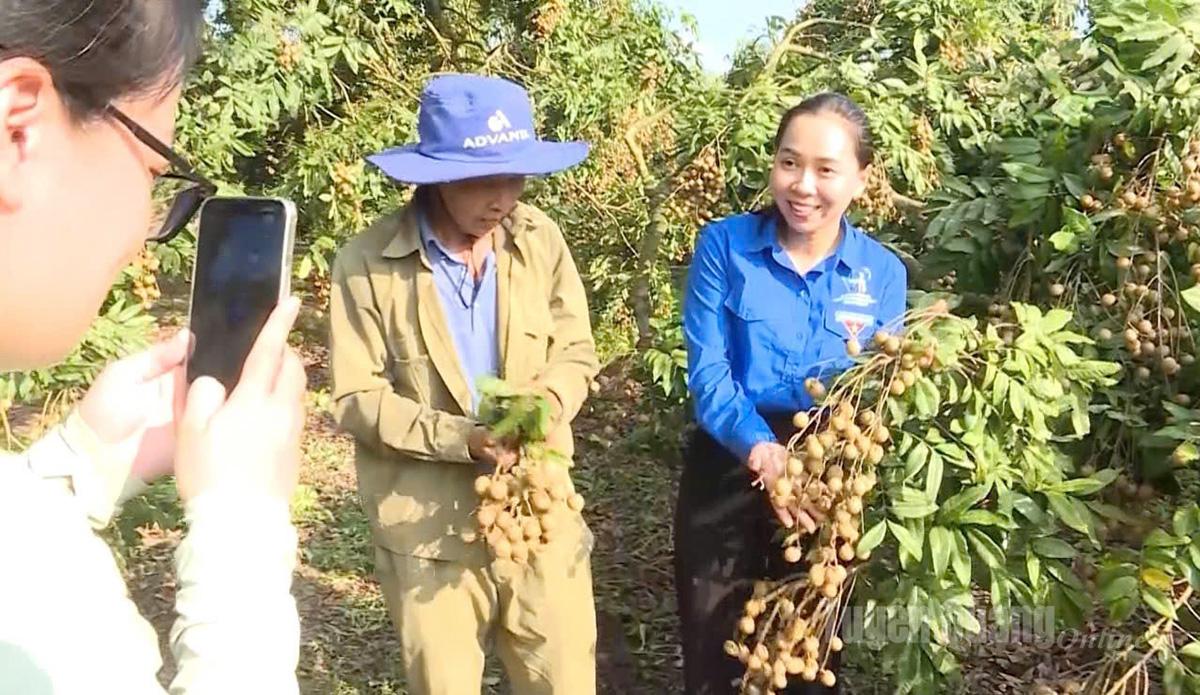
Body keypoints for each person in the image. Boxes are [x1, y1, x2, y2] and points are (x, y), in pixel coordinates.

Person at [0, 2, 307, 693]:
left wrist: (77, 463)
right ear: (19, 129)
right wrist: (239, 521)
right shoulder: (39, 625)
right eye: (154, 170)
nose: (145, 228)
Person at [329, 73, 600, 695]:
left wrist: (549, 399)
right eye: (483, 180)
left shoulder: (539, 241)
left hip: (539, 512)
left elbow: (576, 350)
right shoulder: (366, 264)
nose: (504, 197)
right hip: (429, 537)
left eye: (516, 176)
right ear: (436, 178)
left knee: (563, 679)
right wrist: (464, 439)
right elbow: (356, 398)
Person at [674, 93, 908, 694]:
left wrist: (815, 473)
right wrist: (762, 450)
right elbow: (710, 373)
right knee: (716, 646)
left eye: (826, 169)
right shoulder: (724, 247)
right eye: (789, 163)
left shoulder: (882, 274)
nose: (803, 185)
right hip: (730, 459)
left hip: (827, 477)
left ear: (861, 179)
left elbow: (876, 391)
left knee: (806, 644)